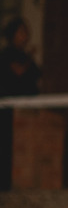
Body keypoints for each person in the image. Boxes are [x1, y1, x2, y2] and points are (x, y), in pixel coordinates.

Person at [0, 18, 41, 191]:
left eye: (26, 31)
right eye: (21, 31)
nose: (25, 35)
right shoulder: (8, 53)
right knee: (7, 147)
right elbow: (17, 72)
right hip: (9, 111)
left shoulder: (24, 55)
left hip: (26, 111)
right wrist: (30, 57)